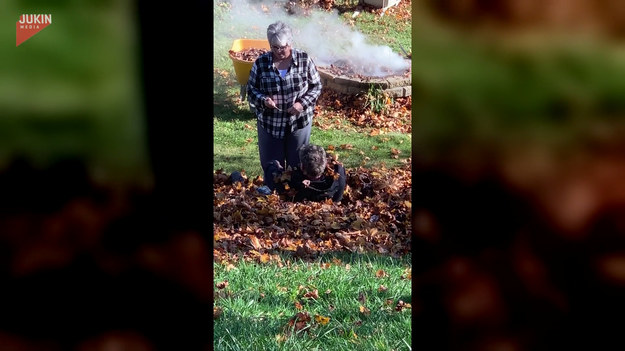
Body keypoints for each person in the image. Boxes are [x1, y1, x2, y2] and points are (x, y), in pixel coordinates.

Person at [247, 21, 322, 190]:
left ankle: (296, 195)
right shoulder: (261, 63)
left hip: (299, 123)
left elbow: (316, 86)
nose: (280, 51)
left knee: (297, 164)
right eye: (275, 47)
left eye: (283, 47)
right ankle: (274, 197)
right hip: (270, 123)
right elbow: (251, 89)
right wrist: (263, 100)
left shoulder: (304, 60)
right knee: (272, 166)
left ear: (290, 43)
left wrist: (302, 104)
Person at [265, 144, 346, 203]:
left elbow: (271, 172)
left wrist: (275, 165)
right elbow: (339, 168)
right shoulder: (337, 176)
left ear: (302, 167)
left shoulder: (291, 183)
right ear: (325, 164)